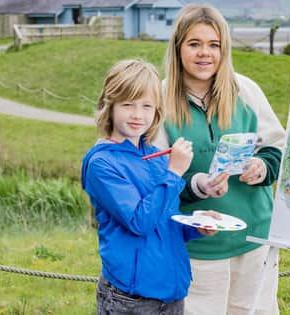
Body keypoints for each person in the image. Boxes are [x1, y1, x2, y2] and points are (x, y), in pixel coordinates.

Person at [155, 4, 286, 315]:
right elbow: (155, 175)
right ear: (178, 48)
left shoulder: (245, 91)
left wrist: (263, 167)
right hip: (196, 243)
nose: (205, 54)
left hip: (254, 237)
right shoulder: (159, 99)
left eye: (214, 45)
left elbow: (277, 146)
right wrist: (197, 187)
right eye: (195, 44)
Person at [81, 59, 218, 315]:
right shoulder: (102, 164)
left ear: (157, 110)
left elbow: (163, 220)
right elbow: (139, 221)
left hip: (171, 292)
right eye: (127, 104)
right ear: (108, 106)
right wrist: (175, 171)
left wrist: (196, 226)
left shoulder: (156, 157)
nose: (137, 114)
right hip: (131, 299)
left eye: (147, 106)